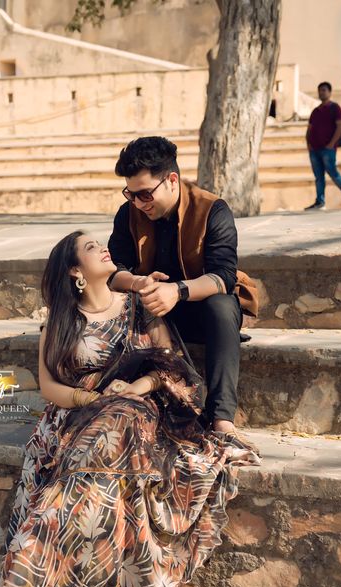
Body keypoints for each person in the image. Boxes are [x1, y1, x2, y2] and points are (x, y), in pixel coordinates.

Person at [0, 230, 260, 587]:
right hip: (77, 413)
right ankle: (72, 582)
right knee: (87, 467)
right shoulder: (61, 321)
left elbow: (171, 367)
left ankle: (43, 577)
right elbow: (49, 386)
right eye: (91, 248)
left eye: (100, 244)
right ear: (75, 271)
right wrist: (91, 399)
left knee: (105, 441)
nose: (103, 248)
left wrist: (135, 388)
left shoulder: (139, 308)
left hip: (134, 410)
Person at [107, 136, 258, 440]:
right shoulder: (129, 213)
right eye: (130, 194)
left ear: (172, 180)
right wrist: (138, 282)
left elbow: (224, 276)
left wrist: (177, 291)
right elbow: (113, 271)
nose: (138, 203)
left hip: (200, 313)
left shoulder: (212, 209)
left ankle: (222, 418)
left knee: (223, 304)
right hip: (150, 313)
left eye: (145, 194)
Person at [305, 82, 341, 210]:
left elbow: (340, 126)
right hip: (314, 149)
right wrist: (309, 144)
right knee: (318, 177)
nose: (321, 92)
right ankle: (320, 201)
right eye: (320, 90)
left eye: (324, 90)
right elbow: (309, 129)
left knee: (333, 174)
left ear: (329, 92)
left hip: (328, 149)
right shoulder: (315, 111)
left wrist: (331, 144)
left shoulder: (335, 108)